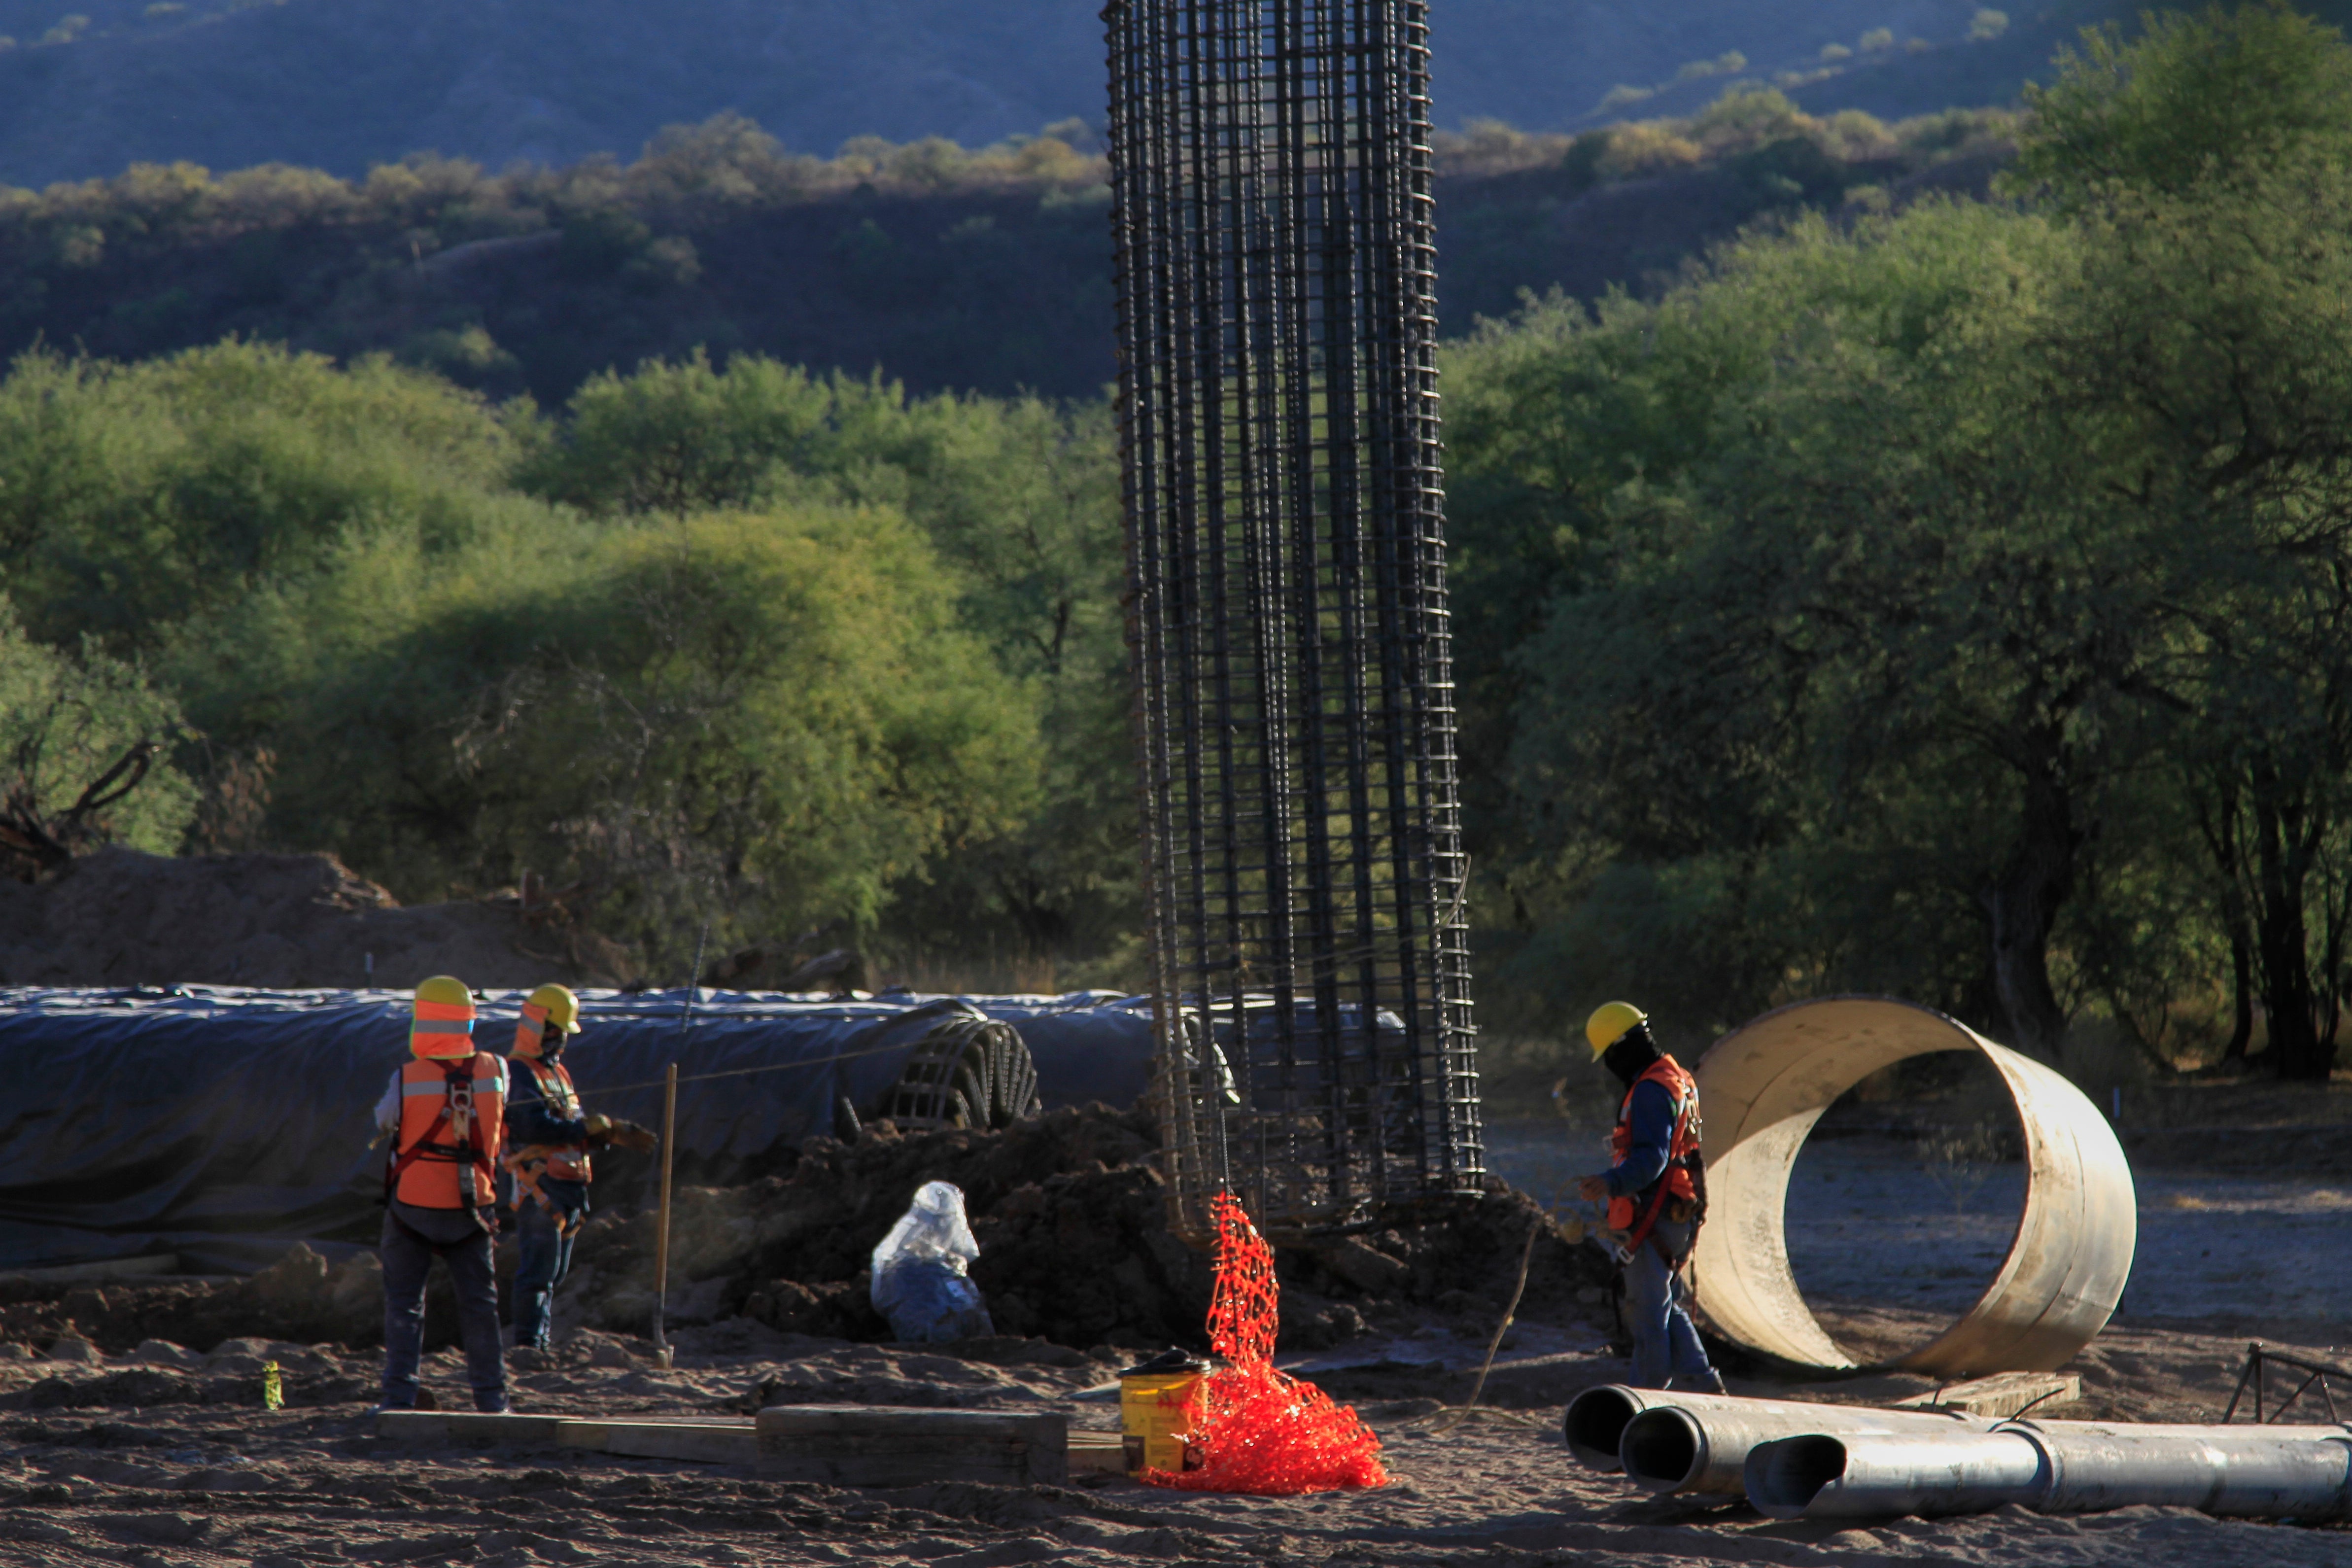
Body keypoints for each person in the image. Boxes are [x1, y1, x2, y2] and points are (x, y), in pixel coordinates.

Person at [374, 975, 510, 1413]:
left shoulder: (405, 1078)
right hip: (474, 1209)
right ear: (469, 1020)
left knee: (405, 1305)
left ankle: (398, 1398)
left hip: (413, 1208)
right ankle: (492, 1401)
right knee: (481, 1307)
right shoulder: (499, 1069)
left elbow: (384, 1123)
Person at [1576, 1001, 1725, 1394]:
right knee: (1665, 1305)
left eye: (1609, 1054)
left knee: (1647, 1316)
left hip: (1653, 1215)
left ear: (1622, 1047)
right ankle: (1703, 1384)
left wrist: (1611, 1182)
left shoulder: (1649, 1091)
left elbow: (1651, 1158)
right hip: (1677, 1212)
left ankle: (1645, 1401)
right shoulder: (1677, 1078)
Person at [501, 983, 655, 1358]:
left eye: (566, 1033)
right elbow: (532, 1126)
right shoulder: (520, 1073)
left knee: (553, 1274)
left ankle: (539, 1342)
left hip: (567, 1185)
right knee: (538, 1273)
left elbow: (571, 1124)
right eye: (557, 1032)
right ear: (540, 1027)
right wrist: (583, 1129)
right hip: (542, 1186)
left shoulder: (558, 1075)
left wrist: (605, 1134)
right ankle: (527, 1346)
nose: (562, 1040)